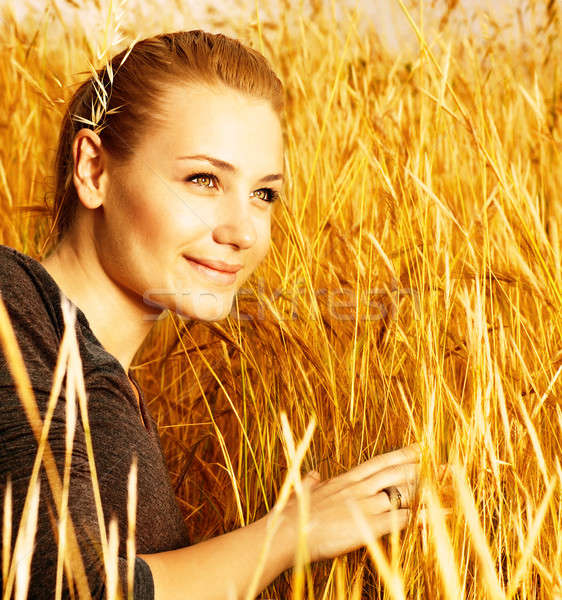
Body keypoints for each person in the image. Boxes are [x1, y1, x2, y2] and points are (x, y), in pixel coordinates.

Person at [0, 30, 424, 599]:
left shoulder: (106, 384)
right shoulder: (11, 299)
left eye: (264, 194)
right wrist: (291, 533)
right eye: (203, 180)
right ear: (94, 169)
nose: (244, 231)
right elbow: (65, 584)